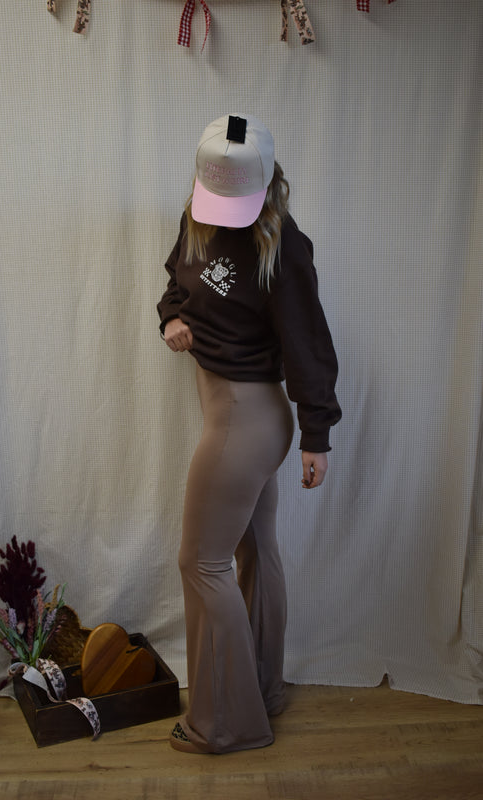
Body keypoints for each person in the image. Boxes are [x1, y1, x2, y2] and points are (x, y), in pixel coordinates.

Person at [157, 113, 341, 754]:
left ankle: (224, 724)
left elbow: (309, 344)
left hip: (246, 418)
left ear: (267, 183)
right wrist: (171, 319)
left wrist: (317, 435)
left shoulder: (283, 247)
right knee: (254, 550)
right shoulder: (198, 214)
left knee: (200, 562)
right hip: (231, 413)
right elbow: (176, 281)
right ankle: (260, 691)